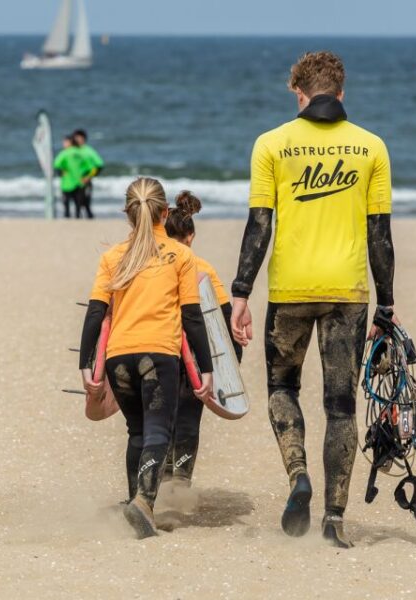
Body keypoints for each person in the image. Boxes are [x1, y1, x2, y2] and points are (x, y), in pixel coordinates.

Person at [229, 51, 395, 548]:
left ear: (298, 94)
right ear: (341, 93)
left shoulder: (271, 145)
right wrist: (386, 306)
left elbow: (260, 225)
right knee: (342, 406)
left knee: (282, 387)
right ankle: (334, 520)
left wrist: (240, 293)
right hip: (348, 294)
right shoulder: (371, 148)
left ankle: (298, 473)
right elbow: (380, 237)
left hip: (290, 292)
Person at [78, 177, 215, 539]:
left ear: (128, 214)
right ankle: (143, 503)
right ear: (165, 212)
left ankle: (133, 502)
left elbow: (95, 313)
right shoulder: (182, 256)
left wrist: (85, 365)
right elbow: (192, 317)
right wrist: (206, 368)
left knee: (137, 431)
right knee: (159, 429)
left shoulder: (112, 257)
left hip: (118, 358)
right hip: (159, 355)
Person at [162, 191, 242, 487]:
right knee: (188, 418)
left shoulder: (153, 266)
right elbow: (223, 318)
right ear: (191, 236)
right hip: (196, 360)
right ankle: (180, 484)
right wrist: (230, 367)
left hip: (160, 352)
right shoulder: (203, 269)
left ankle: (157, 482)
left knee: (157, 419)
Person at [53, 135, 86, 219]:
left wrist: (61, 172)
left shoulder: (65, 153)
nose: (63, 144)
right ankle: (78, 218)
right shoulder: (80, 152)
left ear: (69, 142)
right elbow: (87, 165)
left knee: (66, 205)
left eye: (65, 142)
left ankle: (67, 219)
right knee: (78, 205)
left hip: (67, 183)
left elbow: (56, 164)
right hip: (79, 182)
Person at [73, 129, 103, 219]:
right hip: (75, 181)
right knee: (76, 203)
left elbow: (99, 165)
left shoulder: (88, 150)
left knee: (86, 203)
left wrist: (89, 176)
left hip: (86, 179)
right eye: (75, 138)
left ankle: (90, 220)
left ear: (83, 138)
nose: (77, 139)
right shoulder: (73, 150)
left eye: (79, 137)